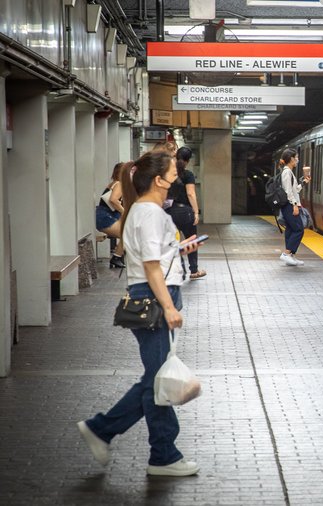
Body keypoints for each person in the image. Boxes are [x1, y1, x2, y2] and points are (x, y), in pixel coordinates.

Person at [76, 150, 203, 476]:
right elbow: (149, 266)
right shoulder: (148, 213)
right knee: (158, 381)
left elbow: (156, 257)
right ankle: (162, 455)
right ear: (159, 180)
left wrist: (179, 248)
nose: (177, 169)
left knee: (155, 378)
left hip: (154, 293)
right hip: (154, 297)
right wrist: (170, 306)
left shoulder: (146, 211)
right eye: (172, 168)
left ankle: (105, 430)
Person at [166, 147, 205, 279]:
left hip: (169, 211)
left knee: (173, 242)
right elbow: (191, 193)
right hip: (185, 212)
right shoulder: (188, 174)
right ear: (188, 160)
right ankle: (194, 271)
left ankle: (177, 270)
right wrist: (196, 212)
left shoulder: (169, 173)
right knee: (191, 241)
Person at [277, 148, 311, 266]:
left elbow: (294, 190)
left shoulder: (289, 172)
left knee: (291, 230)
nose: (297, 160)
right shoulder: (287, 172)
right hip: (290, 205)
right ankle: (286, 254)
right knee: (298, 229)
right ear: (291, 159)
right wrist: (295, 205)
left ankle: (291, 256)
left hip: (290, 205)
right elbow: (288, 192)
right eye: (296, 157)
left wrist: (304, 182)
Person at [96, 162, 129, 268]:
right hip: (106, 217)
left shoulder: (113, 183)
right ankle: (117, 257)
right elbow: (113, 200)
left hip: (103, 215)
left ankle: (118, 256)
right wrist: (124, 211)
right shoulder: (119, 184)